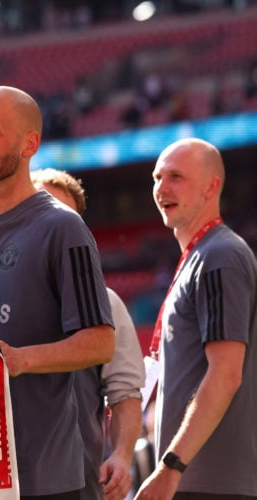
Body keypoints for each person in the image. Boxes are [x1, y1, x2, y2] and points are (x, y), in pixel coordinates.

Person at [0, 86, 115, 499]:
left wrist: (16, 361)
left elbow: (100, 341)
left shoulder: (63, 227)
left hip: (44, 478)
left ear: (29, 143)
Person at [135, 138, 257, 499]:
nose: (161, 188)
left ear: (211, 186)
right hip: (198, 480)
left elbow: (225, 373)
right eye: (157, 177)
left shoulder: (220, 254)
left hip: (210, 484)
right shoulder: (200, 256)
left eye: (176, 177)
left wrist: (171, 466)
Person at [32, 168, 145, 500]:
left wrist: (122, 455)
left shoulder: (106, 303)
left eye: (62, 216)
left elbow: (125, 392)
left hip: (79, 482)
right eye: (40, 209)